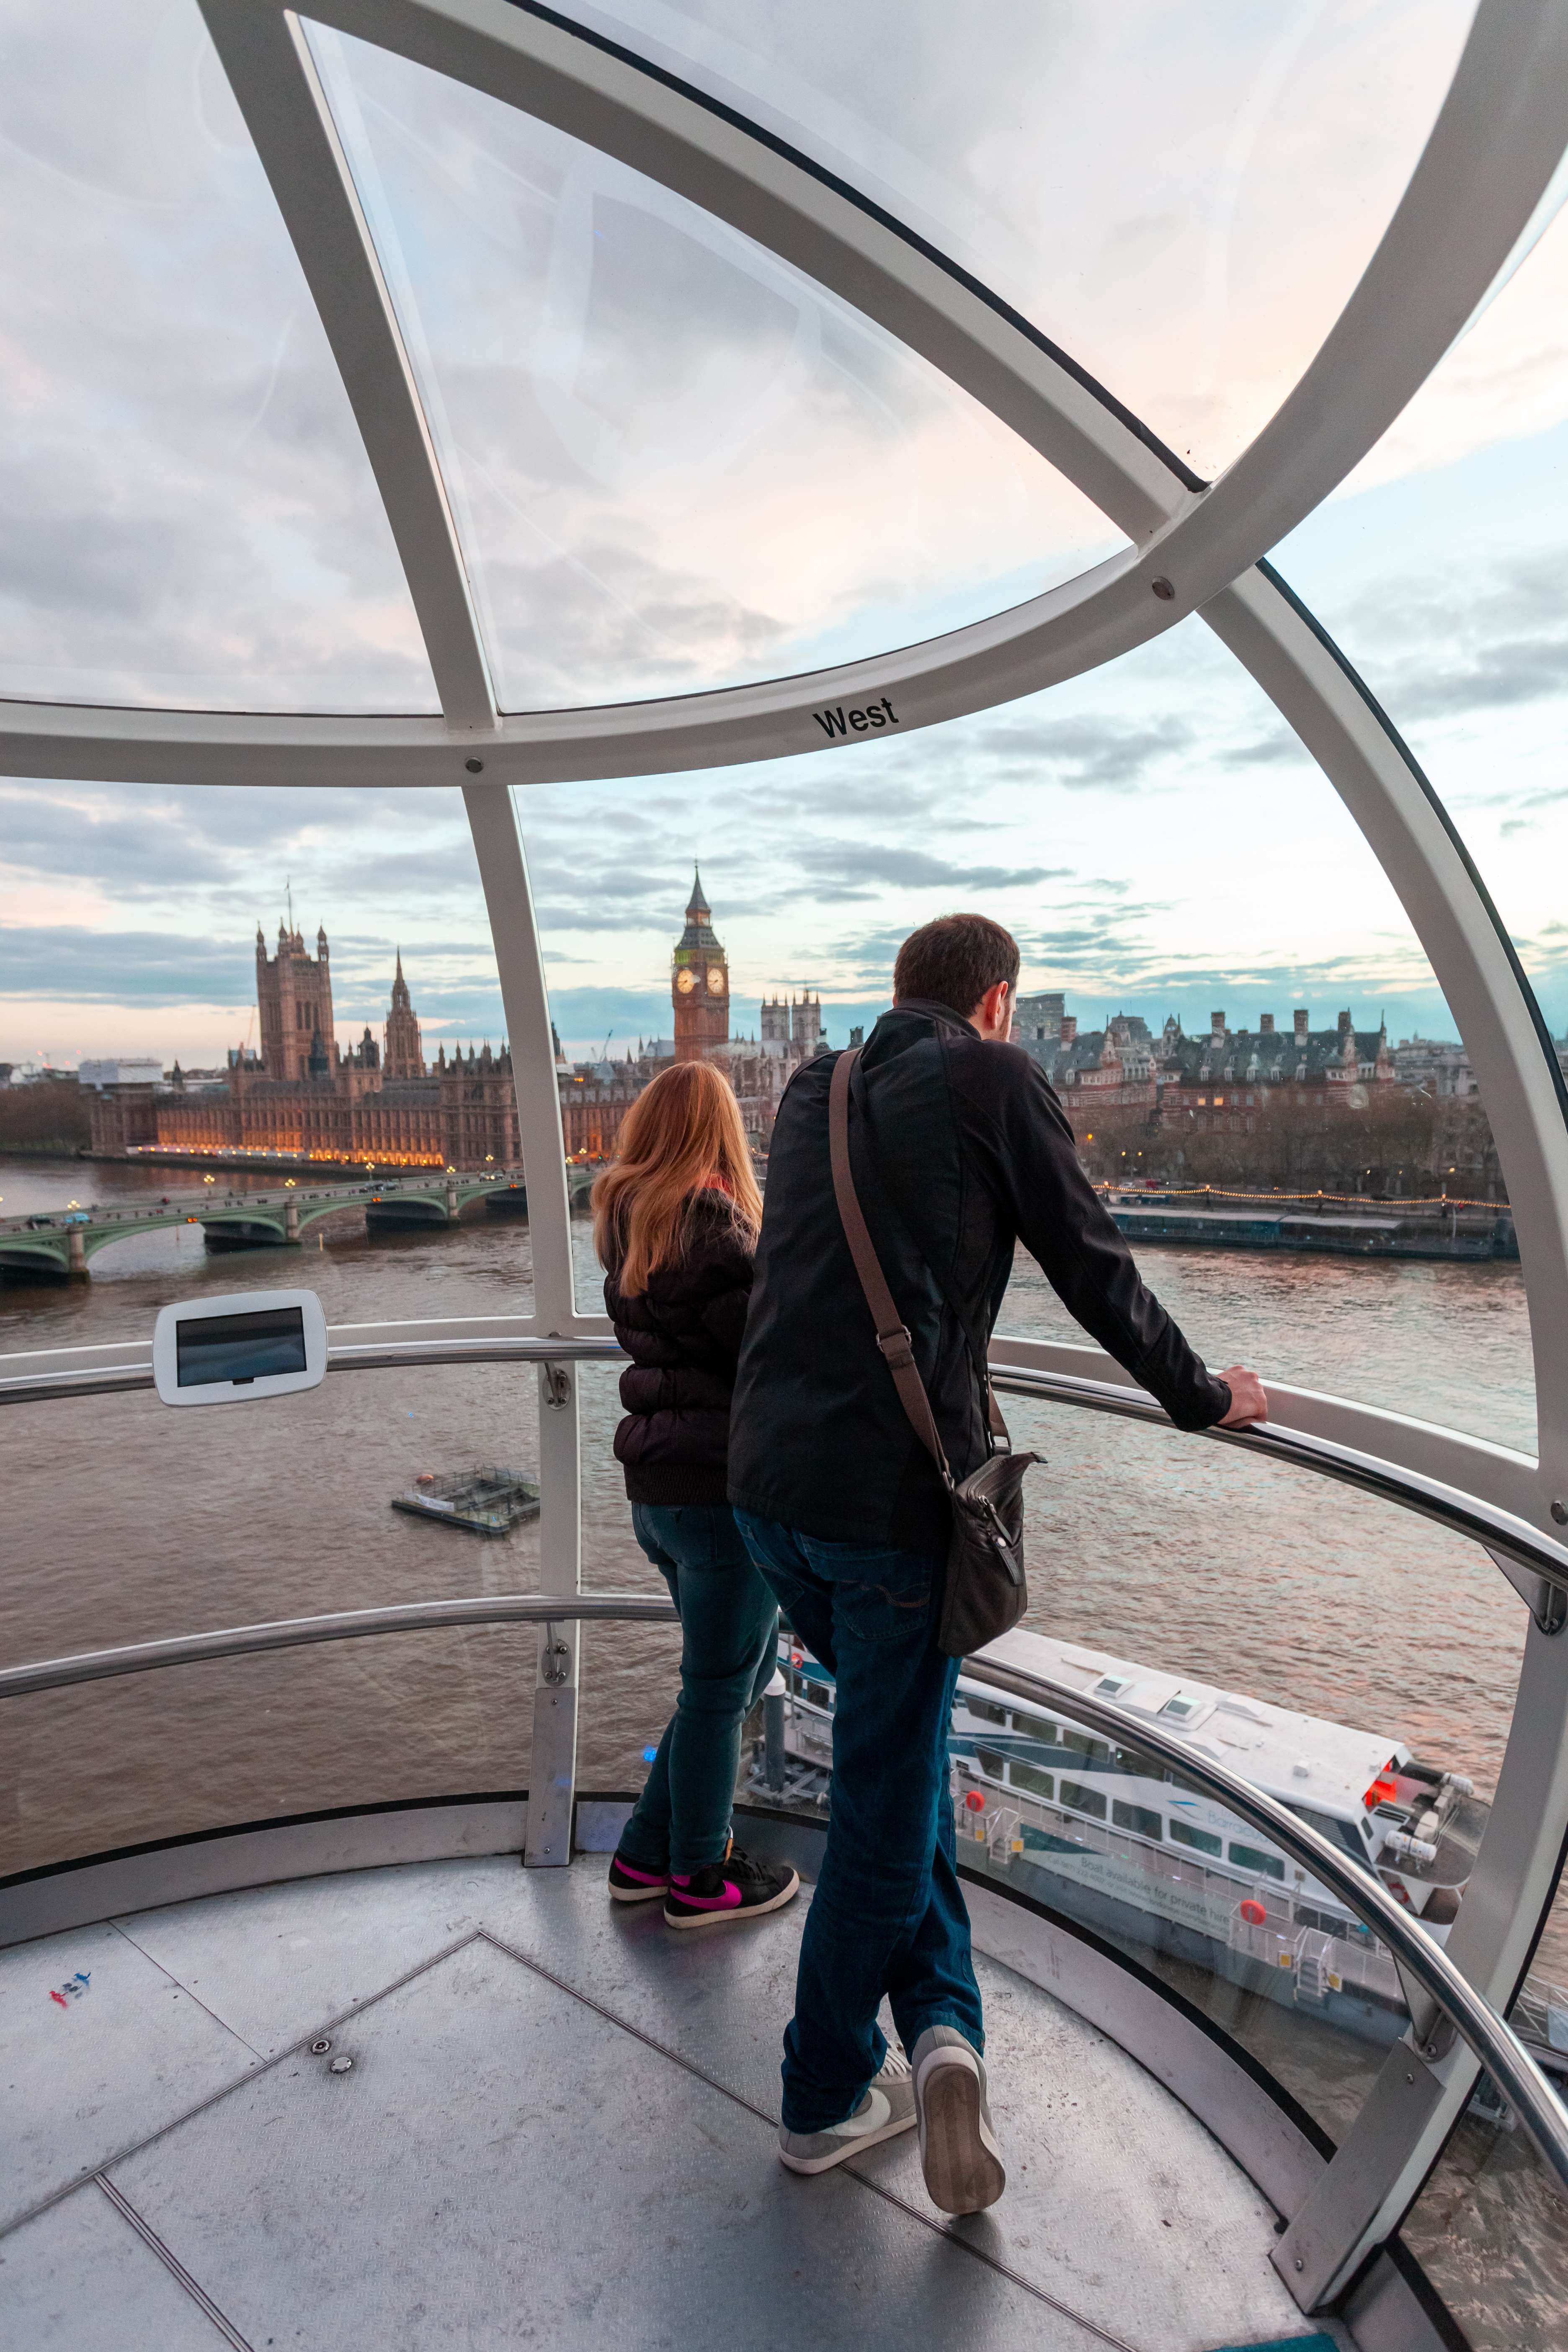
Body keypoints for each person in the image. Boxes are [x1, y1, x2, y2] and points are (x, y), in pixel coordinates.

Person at [729, 913, 1267, 2211]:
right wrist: (1205, 1397)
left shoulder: (814, 1087)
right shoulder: (995, 1076)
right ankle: (818, 2095)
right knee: (884, 1807)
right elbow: (1094, 1268)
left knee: (896, 1764)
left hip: (766, 1493)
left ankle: (941, 2032)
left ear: (900, 992)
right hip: (891, 1509)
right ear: (998, 1002)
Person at [594, 1058, 799, 1931]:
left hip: (661, 1497)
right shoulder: (714, 1236)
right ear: (719, 1134)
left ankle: (646, 1854)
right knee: (719, 1693)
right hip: (720, 1495)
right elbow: (772, 1352)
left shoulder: (632, 1232)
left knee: (733, 1678)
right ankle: (700, 1878)